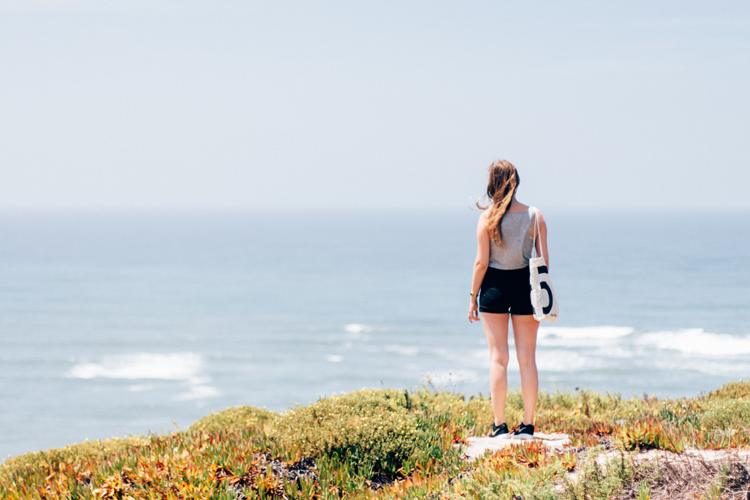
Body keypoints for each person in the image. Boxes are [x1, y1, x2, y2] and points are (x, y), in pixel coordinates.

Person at [468, 160, 548, 439]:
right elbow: (544, 262)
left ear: (492, 184)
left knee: (498, 359)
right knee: (527, 359)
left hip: (493, 288)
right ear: (516, 182)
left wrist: (472, 297)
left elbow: (481, 263)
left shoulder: (486, 218)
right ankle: (527, 425)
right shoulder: (534, 215)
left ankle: (499, 425)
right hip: (526, 286)